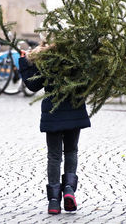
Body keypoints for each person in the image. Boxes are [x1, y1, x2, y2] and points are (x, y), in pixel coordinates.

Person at [18, 44, 91, 214]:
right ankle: (69, 190)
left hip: (53, 111)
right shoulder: (78, 54)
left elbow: (33, 85)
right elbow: (87, 83)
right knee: (71, 151)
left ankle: (53, 201)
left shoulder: (46, 57)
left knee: (54, 155)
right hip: (75, 108)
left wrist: (24, 61)